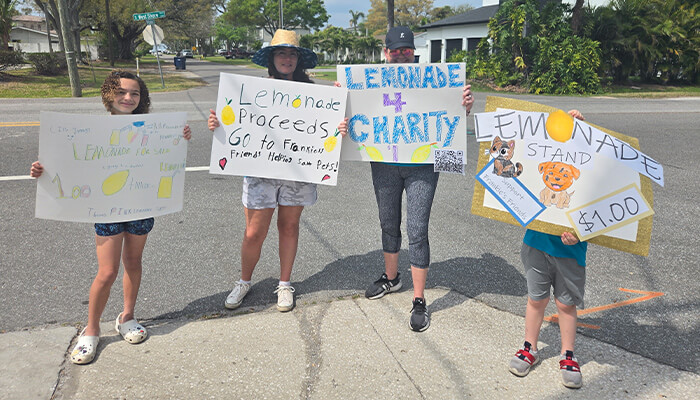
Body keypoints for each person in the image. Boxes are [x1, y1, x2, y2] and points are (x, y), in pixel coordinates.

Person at [30, 70, 192, 365]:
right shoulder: (93, 129)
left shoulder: (155, 127)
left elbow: (167, 157)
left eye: (135, 93)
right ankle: (91, 329)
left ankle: (127, 316)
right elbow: (66, 160)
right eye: (121, 92)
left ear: (142, 98)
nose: (128, 98)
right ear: (108, 95)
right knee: (107, 271)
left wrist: (179, 138)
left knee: (133, 262)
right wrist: (43, 170)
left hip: (142, 204)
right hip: (106, 209)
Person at [337, 26, 475, 332]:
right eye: (395, 50)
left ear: (414, 51)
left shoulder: (435, 82)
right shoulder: (365, 85)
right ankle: (392, 278)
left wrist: (463, 105)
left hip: (422, 166)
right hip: (383, 163)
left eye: (406, 49)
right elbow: (347, 123)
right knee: (388, 222)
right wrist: (340, 104)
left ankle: (419, 298)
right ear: (386, 53)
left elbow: (450, 124)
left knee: (417, 228)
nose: (400, 54)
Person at [208, 29, 331, 313]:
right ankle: (244, 281)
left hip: (298, 171)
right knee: (254, 232)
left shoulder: (314, 92)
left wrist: (338, 127)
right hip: (260, 170)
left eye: (292, 54)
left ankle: (285, 283)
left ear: (298, 60)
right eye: (281, 53)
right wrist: (219, 125)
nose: (287, 58)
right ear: (272, 58)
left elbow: (325, 129)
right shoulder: (250, 91)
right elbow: (233, 123)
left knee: (289, 226)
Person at [508, 110, 587, 389]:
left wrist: (581, 234)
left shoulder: (586, 167)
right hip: (536, 243)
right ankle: (530, 347)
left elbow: (596, 200)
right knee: (536, 299)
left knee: (566, 304)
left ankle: (568, 354)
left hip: (570, 250)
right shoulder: (538, 158)